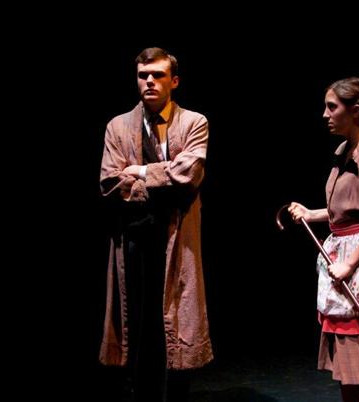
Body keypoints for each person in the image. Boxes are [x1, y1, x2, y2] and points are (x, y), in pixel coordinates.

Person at [98, 47, 213, 401]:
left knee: (177, 314)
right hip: (134, 233)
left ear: (173, 81)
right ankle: (140, 389)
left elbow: (189, 173)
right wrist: (161, 183)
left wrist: (143, 172)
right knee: (139, 317)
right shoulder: (118, 126)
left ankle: (175, 392)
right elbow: (111, 182)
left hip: (176, 232)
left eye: (158, 75)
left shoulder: (194, 122)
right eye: (143, 75)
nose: (149, 81)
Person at [288, 77, 359, 402]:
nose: (324, 115)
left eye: (332, 107)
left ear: (355, 111)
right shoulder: (345, 150)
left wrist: (349, 264)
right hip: (343, 263)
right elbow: (348, 209)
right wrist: (312, 213)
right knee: (350, 369)